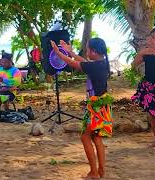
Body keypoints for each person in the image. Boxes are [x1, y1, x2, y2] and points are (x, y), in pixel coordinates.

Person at [51, 38, 113, 179]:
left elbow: (74, 63)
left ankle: (94, 172)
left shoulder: (94, 66)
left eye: (87, 49)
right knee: (97, 138)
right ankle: (101, 170)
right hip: (103, 104)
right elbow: (84, 62)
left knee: (85, 137)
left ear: (94, 51)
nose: (86, 52)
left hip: (96, 106)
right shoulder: (102, 63)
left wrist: (58, 53)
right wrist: (69, 51)